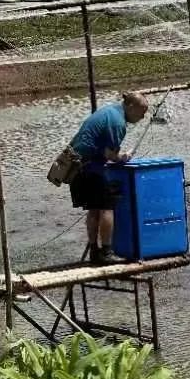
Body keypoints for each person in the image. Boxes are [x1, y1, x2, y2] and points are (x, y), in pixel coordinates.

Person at [69, 91, 149, 265]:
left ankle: (93, 250)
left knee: (93, 208)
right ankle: (106, 252)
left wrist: (113, 156)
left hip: (76, 166)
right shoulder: (118, 122)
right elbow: (110, 154)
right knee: (107, 207)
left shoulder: (109, 111)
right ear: (130, 106)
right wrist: (123, 158)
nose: (142, 118)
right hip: (90, 167)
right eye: (141, 113)